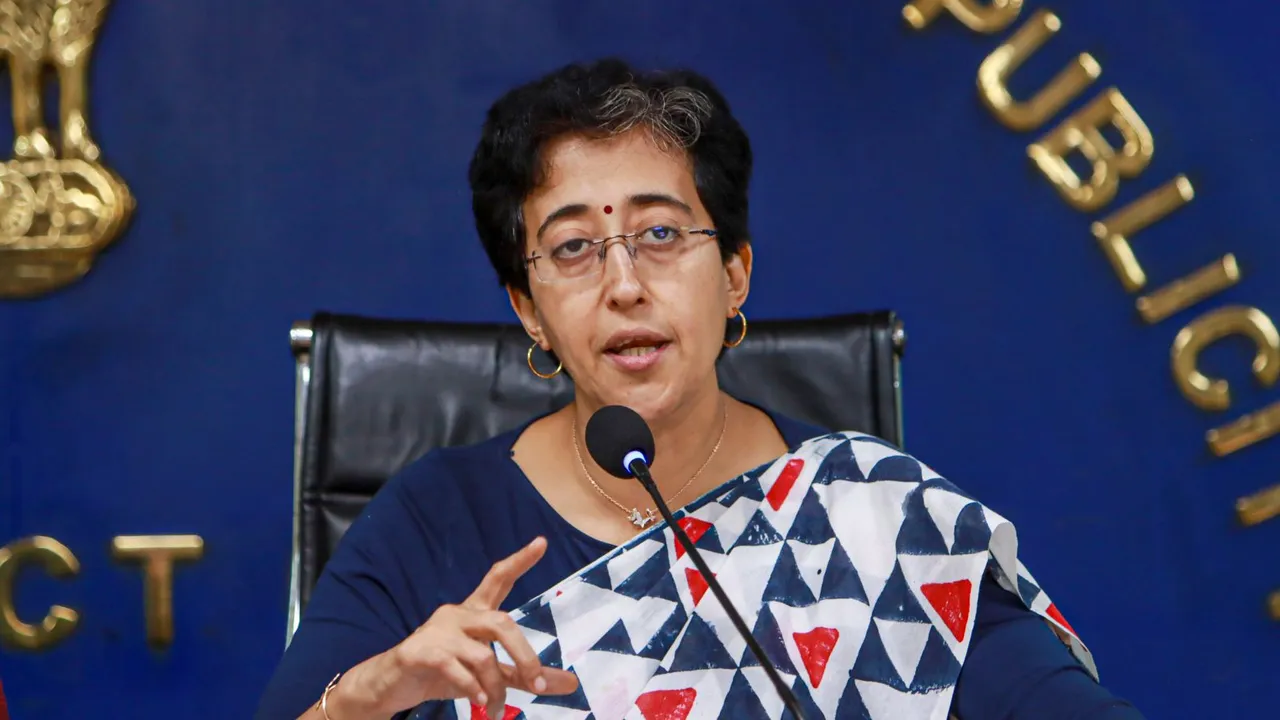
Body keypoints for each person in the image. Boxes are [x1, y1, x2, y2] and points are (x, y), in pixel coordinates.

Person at [256, 59, 1143, 720]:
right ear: (529, 311)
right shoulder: (434, 522)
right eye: (572, 249)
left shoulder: (869, 520)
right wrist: (363, 701)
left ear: (735, 275)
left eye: (661, 234)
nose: (624, 285)